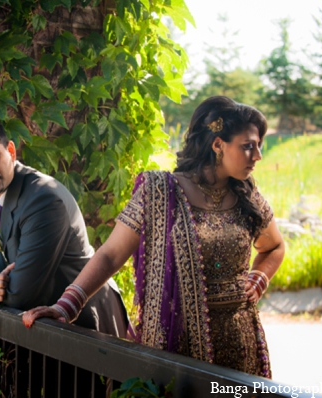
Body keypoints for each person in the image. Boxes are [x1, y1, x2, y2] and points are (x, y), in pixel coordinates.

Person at [22, 96, 285, 378]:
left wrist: (259, 278)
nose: (257, 155)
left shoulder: (248, 197)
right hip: (177, 346)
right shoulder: (159, 192)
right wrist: (65, 307)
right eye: (248, 146)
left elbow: (275, 247)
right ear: (218, 144)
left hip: (239, 342)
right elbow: (110, 255)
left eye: (258, 146)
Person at [0, 115, 129, 337]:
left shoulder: (43, 199)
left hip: (84, 324)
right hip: (41, 327)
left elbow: (22, 295)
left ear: (10, 150)